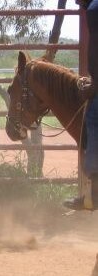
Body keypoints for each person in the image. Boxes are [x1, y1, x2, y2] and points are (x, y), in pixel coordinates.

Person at [64, 0, 98, 210]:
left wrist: (96, 85)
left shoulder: (94, 9)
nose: (76, 1)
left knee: (93, 120)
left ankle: (92, 196)